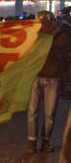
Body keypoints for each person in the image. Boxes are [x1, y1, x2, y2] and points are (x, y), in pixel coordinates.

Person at [26, 10, 71, 153]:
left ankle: (44, 141)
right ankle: (34, 142)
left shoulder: (60, 36)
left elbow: (64, 56)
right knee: (35, 111)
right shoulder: (33, 35)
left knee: (47, 112)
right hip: (37, 76)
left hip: (51, 77)